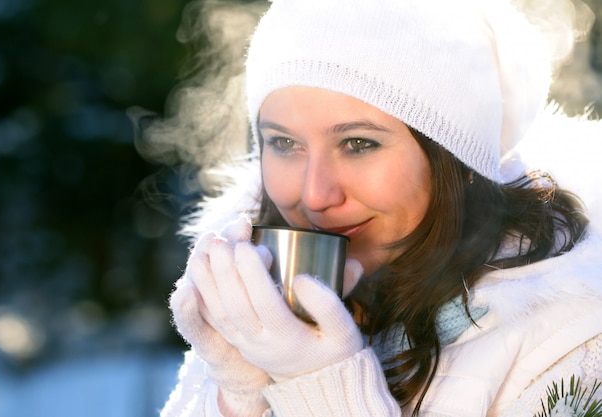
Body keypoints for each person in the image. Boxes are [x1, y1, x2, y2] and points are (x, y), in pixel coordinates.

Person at [159, 0, 602, 416]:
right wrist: (238, 393)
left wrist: (320, 386)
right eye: (284, 143)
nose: (315, 196)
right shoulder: (266, 309)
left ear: (453, 157)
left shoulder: (572, 339)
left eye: (358, 143)